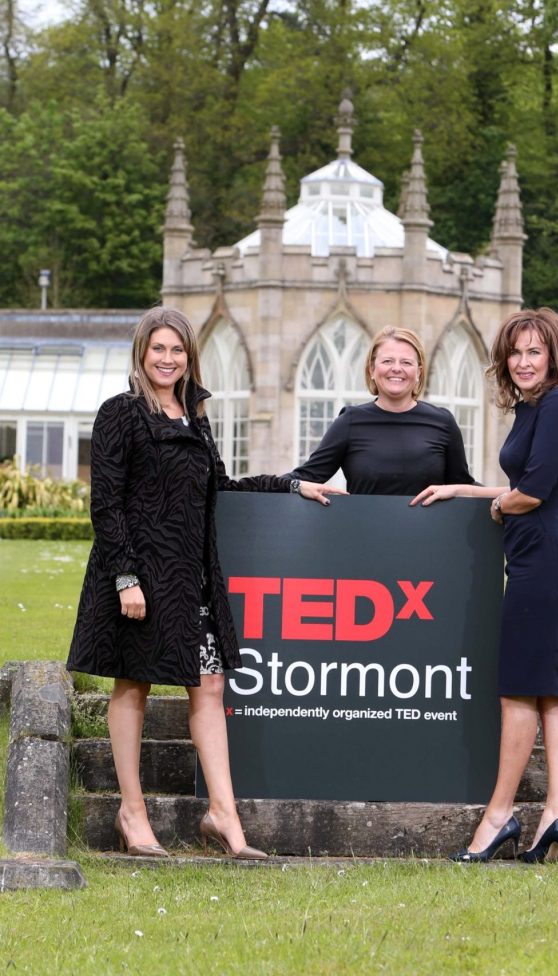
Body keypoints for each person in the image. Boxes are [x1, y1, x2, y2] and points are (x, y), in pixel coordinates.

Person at [67, 307, 341, 859]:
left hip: (192, 580)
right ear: (142, 352)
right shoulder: (119, 413)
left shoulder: (196, 416)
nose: (167, 359)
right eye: (158, 349)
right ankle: (132, 811)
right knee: (133, 684)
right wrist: (126, 578)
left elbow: (223, 485)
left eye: (177, 350)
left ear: (190, 357)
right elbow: (106, 505)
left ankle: (223, 814)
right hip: (138, 577)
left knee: (210, 687)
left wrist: (292, 486)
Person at [411, 307, 558, 863]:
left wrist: (497, 506)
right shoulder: (536, 409)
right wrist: (461, 492)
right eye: (514, 353)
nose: (521, 362)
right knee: (552, 692)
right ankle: (553, 816)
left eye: (533, 351)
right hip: (550, 559)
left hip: (548, 564)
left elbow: (530, 493)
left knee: (520, 693)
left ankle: (498, 817)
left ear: (553, 355)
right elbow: (521, 485)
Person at [287, 325, 476, 494]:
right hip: (366, 532)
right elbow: (305, 477)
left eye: (406, 362)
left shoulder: (443, 423)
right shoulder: (350, 422)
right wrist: (268, 484)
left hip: (427, 533)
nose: (396, 368)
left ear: (419, 372)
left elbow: (464, 487)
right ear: (372, 370)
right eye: (387, 361)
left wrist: (504, 495)